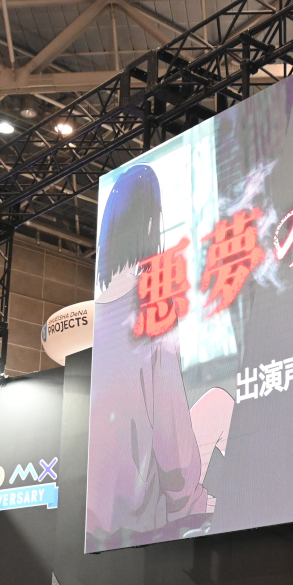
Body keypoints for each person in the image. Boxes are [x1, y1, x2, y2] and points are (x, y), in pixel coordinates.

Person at [87, 164, 235, 549]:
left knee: (215, 403)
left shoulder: (96, 316)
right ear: (151, 223)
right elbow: (169, 431)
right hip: (142, 508)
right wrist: (193, 503)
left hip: (98, 514)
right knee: (222, 406)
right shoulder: (152, 302)